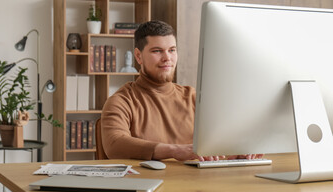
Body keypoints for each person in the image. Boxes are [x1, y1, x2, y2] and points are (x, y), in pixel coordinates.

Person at [101, 20, 262, 161]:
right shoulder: (121, 101)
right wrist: (174, 150)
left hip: (197, 187)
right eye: (157, 51)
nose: (167, 58)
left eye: (172, 50)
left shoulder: (193, 96)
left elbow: (222, 138)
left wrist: (235, 151)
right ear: (138, 56)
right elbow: (114, 144)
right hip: (150, 188)